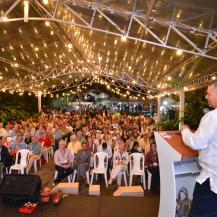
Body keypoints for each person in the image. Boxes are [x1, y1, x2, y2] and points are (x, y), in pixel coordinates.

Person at [181, 80, 217, 217]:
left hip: (211, 183)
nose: (206, 97)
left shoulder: (212, 117)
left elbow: (197, 143)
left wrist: (185, 131)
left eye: (209, 93)